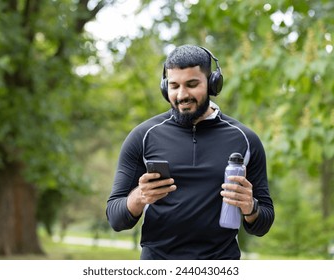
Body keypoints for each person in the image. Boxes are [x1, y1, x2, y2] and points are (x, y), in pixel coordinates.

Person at [106, 45, 274, 260]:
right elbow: (115, 218)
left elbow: (263, 223)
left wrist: (250, 207)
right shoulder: (143, 136)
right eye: (174, 86)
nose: (182, 95)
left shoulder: (245, 139)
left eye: (192, 84)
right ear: (165, 87)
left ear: (213, 84)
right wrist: (139, 197)